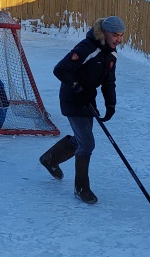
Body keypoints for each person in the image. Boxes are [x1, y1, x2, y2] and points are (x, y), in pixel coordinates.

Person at [38, 16, 123, 204]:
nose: (119, 39)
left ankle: (49, 159)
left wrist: (111, 105)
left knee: (81, 139)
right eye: (115, 35)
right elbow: (60, 69)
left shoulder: (111, 54)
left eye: (121, 35)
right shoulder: (87, 48)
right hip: (73, 99)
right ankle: (81, 188)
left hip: (87, 100)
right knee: (87, 143)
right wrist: (77, 88)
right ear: (105, 33)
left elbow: (109, 82)